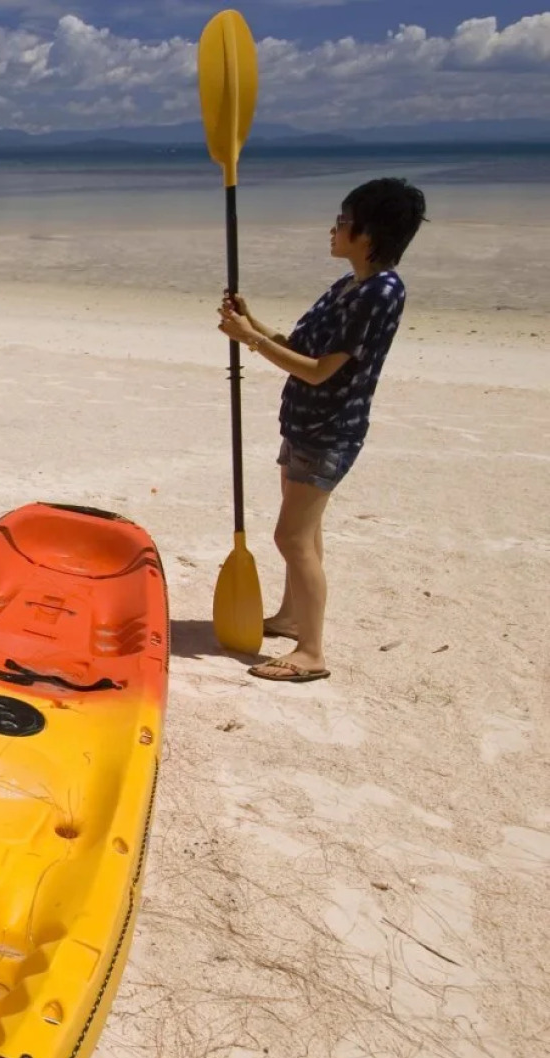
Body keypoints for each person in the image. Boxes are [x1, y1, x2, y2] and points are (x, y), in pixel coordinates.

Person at [216, 177, 427, 683]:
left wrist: (249, 340)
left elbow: (319, 371)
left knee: (291, 538)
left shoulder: (380, 292)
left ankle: (311, 652)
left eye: (342, 221)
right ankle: (292, 617)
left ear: (368, 232)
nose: (333, 229)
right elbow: (302, 348)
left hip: (331, 429)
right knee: (305, 534)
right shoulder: (349, 285)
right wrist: (255, 325)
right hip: (307, 422)